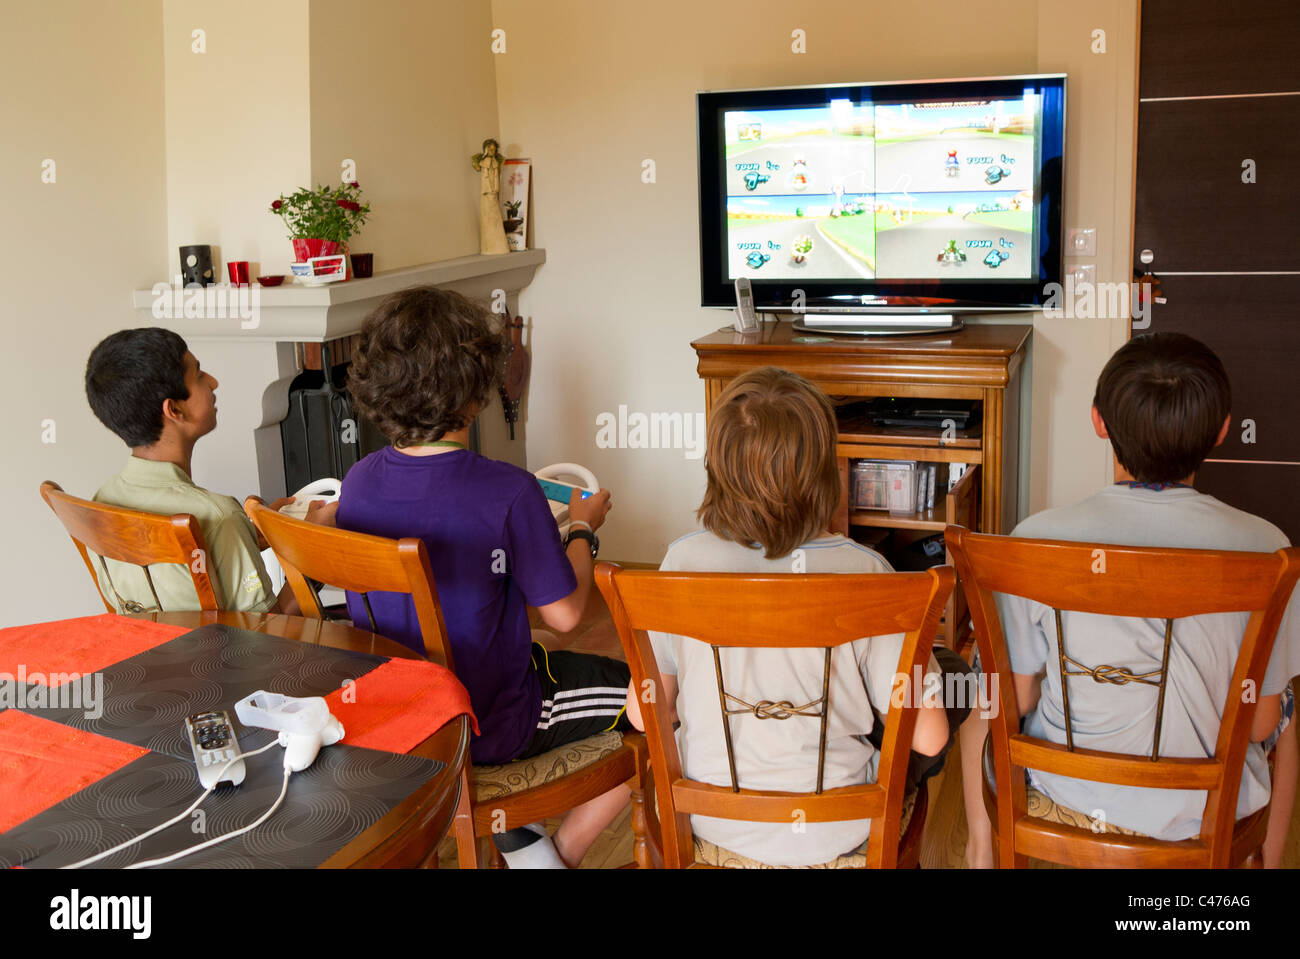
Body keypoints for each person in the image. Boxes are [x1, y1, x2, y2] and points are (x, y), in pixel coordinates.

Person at [322, 286, 631, 869]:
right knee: (659, 697)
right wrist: (583, 530)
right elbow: (565, 618)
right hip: (490, 722)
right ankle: (550, 857)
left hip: (398, 721)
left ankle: (518, 833)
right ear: (475, 386)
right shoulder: (509, 491)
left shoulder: (358, 481)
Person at [961, 331, 1298, 867]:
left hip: (1067, 792)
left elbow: (1017, 701)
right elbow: (1259, 726)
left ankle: (983, 855)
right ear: (1221, 432)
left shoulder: (1033, 539)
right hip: (1207, 807)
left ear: (1098, 421)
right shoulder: (1270, 548)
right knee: (1287, 714)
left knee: (987, 690)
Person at [623, 366, 972, 867]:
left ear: (716, 467)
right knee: (950, 677)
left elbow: (643, 713)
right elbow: (930, 736)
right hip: (840, 828)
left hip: (707, 820)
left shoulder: (679, 564)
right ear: (825, 471)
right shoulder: (868, 573)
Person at [84, 328, 294, 614]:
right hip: (227, 657)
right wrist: (312, 553)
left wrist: (249, 535)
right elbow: (268, 631)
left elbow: (180, 577)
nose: (213, 382)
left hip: (150, 654)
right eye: (199, 375)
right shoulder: (219, 516)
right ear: (175, 410)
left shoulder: (102, 502)